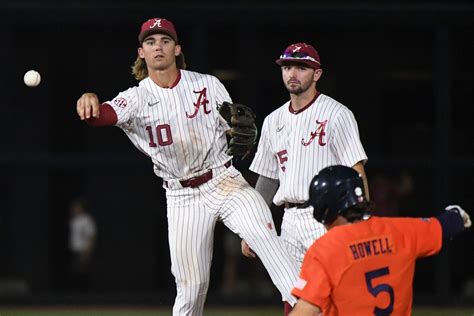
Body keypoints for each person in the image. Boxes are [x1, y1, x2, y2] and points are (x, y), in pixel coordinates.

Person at [76, 17, 299, 315]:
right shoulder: (136, 98)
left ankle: (304, 308)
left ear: (177, 48)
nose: (158, 47)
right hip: (182, 197)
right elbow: (101, 115)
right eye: (151, 42)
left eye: (165, 41)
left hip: (225, 180)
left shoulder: (207, 84)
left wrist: (238, 134)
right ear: (141, 52)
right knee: (191, 290)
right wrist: (89, 100)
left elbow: (234, 130)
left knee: (267, 240)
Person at [242, 43, 369, 270]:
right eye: (287, 67)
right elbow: (268, 180)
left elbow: (356, 171)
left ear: (317, 74)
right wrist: (253, 227)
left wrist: (363, 222)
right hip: (289, 220)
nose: (292, 73)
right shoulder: (273, 120)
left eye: (301, 67)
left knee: (331, 294)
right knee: (293, 296)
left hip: (327, 219)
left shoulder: (337, 114)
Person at [289, 165, 472, 316]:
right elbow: (447, 224)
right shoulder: (401, 231)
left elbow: (305, 311)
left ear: (325, 208)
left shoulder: (324, 250)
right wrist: (458, 214)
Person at [68, 197, 97, 292]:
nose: (74, 209)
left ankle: (86, 298)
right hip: (74, 250)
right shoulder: (74, 220)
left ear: (81, 208)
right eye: (74, 207)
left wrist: (87, 251)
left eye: (76, 207)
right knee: (75, 274)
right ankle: (76, 297)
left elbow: (91, 236)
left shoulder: (86, 220)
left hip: (83, 251)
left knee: (83, 274)